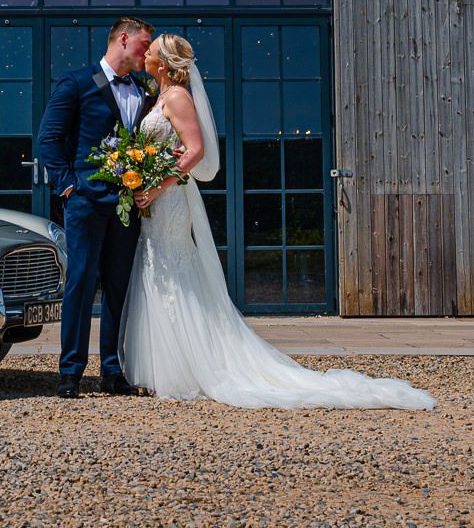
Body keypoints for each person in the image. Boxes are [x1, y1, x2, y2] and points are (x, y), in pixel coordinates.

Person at [120, 33, 438, 410]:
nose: (147, 52)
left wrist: (157, 187)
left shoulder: (177, 97)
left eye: (152, 49)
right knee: (158, 271)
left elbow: (196, 151)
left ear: (165, 63)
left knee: (174, 274)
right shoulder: (159, 97)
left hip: (170, 201)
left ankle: (187, 369)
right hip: (155, 202)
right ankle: (164, 369)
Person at [33, 15, 155, 399]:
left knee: (118, 288)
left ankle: (112, 371)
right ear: (123, 39)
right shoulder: (77, 83)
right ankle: (70, 371)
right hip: (85, 202)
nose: (147, 53)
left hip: (126, 205)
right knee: (81, 284)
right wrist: (69, 187)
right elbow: (48, 139)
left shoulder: (144, 90)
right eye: (143, 45)